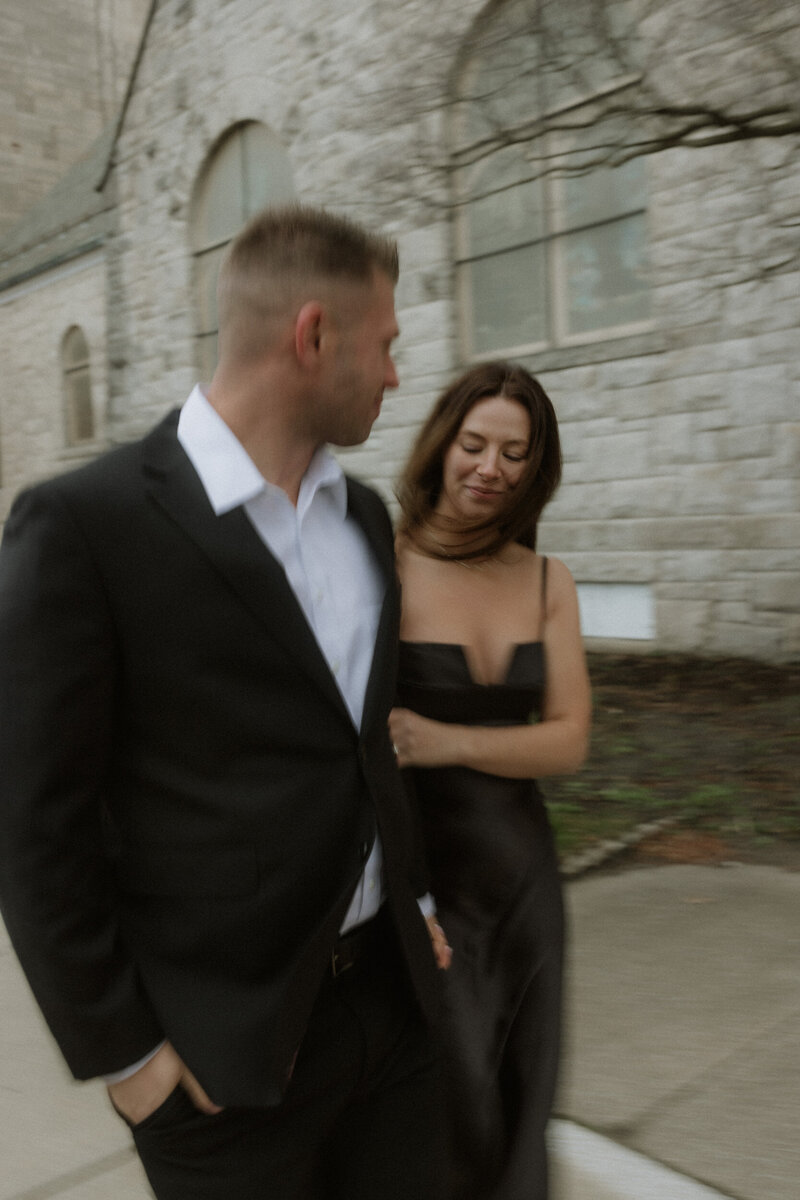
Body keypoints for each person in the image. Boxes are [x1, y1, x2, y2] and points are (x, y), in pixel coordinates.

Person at [0, 206, 450, 1200]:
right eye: (384, 345)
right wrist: (128, 1059)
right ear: (312, 335)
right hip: (219, 1066)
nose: (394, 374)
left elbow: (361, 743)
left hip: (394, 1018)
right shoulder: (84, 525)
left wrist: (413, 897)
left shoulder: (363, 515)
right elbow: (34, 825)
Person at [388, 361, 591, 1200]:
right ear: (442, 444)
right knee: (450, 1107)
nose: (490, 468)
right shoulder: (384, 564)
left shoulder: (547, 580)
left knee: (522, 1102)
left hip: (525, 888)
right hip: (429, 890)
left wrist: (447, 741)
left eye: (515, 453)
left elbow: (569, 740)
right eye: (474, 444)